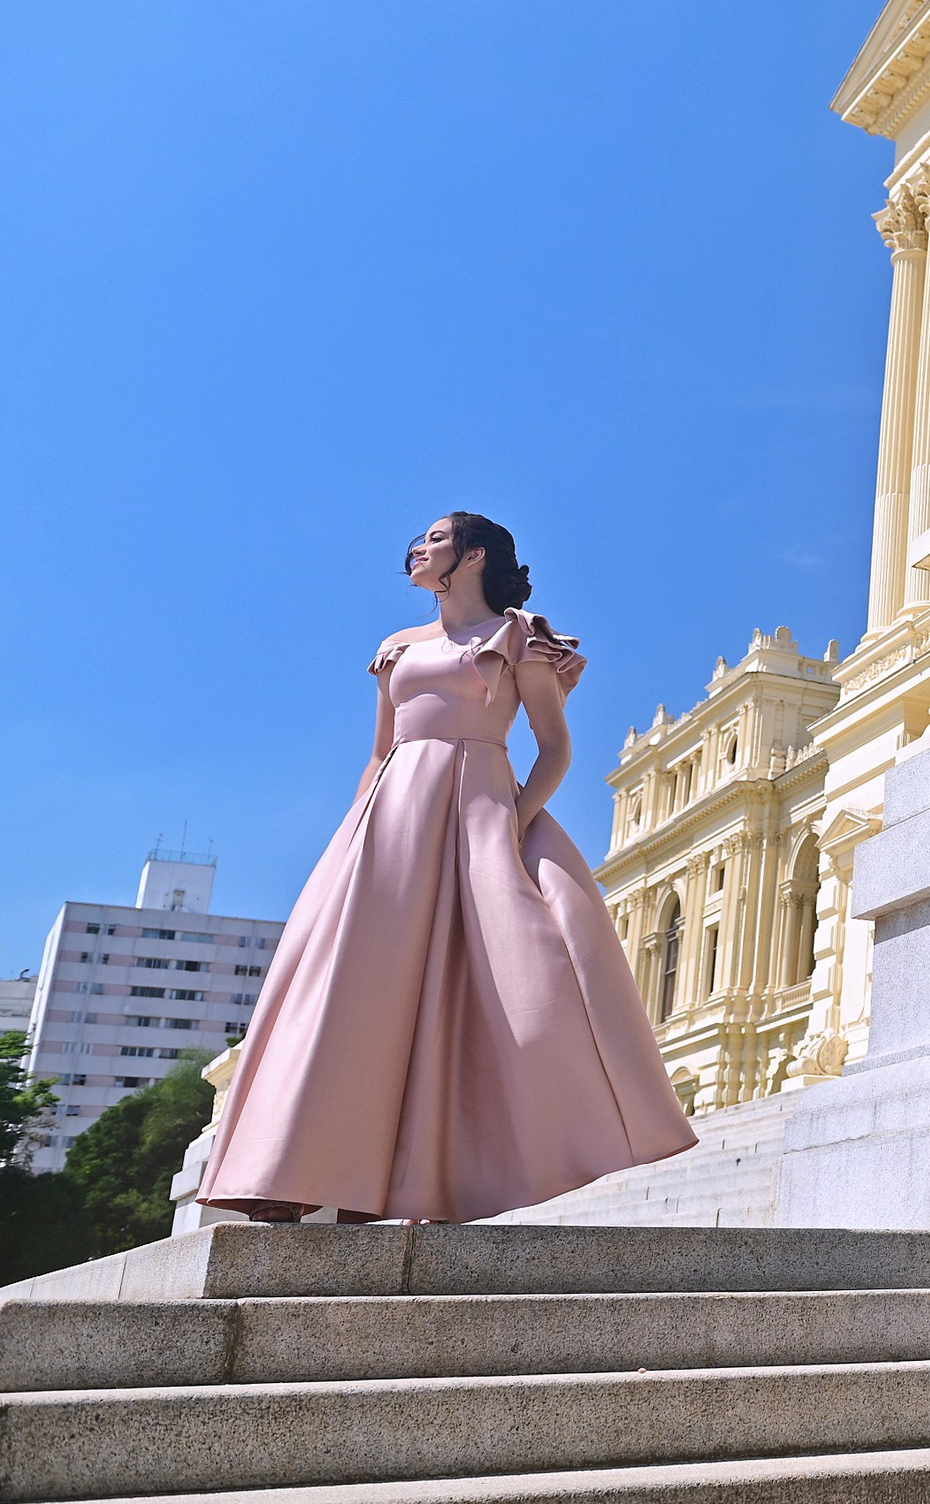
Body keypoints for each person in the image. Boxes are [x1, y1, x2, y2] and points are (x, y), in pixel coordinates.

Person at [198, 513, 695, 1224]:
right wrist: (355, 835)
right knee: (351, 990)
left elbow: (554, 749)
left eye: (435, 538)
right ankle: (298, 1170)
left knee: (508, 986)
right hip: (390, 822)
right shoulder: (396, 648)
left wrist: (507, 825)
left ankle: (401, 1186)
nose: (418, 547)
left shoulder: (518, 636)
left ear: (473, 555)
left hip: (480, 810)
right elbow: (380, 752)